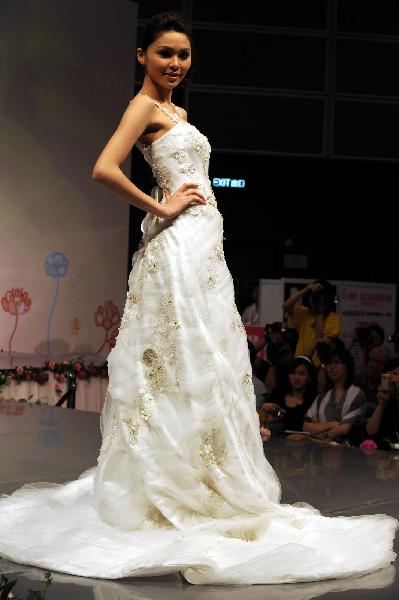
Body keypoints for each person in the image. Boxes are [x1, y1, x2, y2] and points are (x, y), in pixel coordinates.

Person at [0, 11, 397, 586]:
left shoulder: (176, 112)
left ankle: (198, 474)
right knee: (178, 357)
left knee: (205, 361)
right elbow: (103, 167)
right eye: (165, 53)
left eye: (184, 55)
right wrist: (159, 207)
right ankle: (167, 483)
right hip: (178, 245)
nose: (176, 64)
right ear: (142, 55)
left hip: (202, 246)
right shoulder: (144, 107)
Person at [303, 350, 367, 442]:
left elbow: (344, 429)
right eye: (328, 363)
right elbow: (306, 426)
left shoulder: (356, 394)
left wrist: (321, 432)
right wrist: (331, 425)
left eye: (336, 363)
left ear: (347, 366)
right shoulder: (322, 396)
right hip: (322, 450)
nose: (331, 367)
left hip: (350, 450)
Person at [283, 280, 341, 366]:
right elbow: (286, 306)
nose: (315, 300)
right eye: (313, 297)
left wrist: (320, 312)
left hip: (318, 365)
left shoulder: (334, 318)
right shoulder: (305, 313)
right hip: (299, 361)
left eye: (319, 297)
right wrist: (307, 288)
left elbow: (319, 340)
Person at [265, 355, 316, 433]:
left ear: (309, 378)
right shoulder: (278, 393)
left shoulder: (313, 399)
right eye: (293, 373)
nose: (296, 377)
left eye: (301, 374)